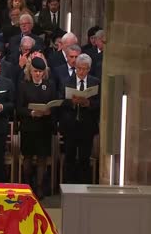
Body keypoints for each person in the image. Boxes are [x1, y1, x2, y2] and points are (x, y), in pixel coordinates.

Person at [17, 57, 57, 198]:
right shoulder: (24, 85)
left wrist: (49, 111)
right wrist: (31, 112)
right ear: (30, 71)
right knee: (27, 158)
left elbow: (54, 103)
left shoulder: (50, 85)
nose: (38, 74)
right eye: (35, 71)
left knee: (42, 159)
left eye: (40, 71)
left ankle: (39, 187)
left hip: (44, 127)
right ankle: (27, 186)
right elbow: (19, 108)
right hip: (29, 127)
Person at [60, 54, 100, 184]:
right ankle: (68, 187)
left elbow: (101, 103)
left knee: (84, 158)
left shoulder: (95, 82)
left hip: (87, 126)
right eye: (79, 68)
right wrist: (72, 102)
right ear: (75, 67)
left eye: (84, 69)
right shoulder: (66, 81)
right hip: (70, 126)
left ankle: (84, 188)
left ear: (89, 69)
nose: (81, 72)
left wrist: (88, 103)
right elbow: (60, 101)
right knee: (69, 157)